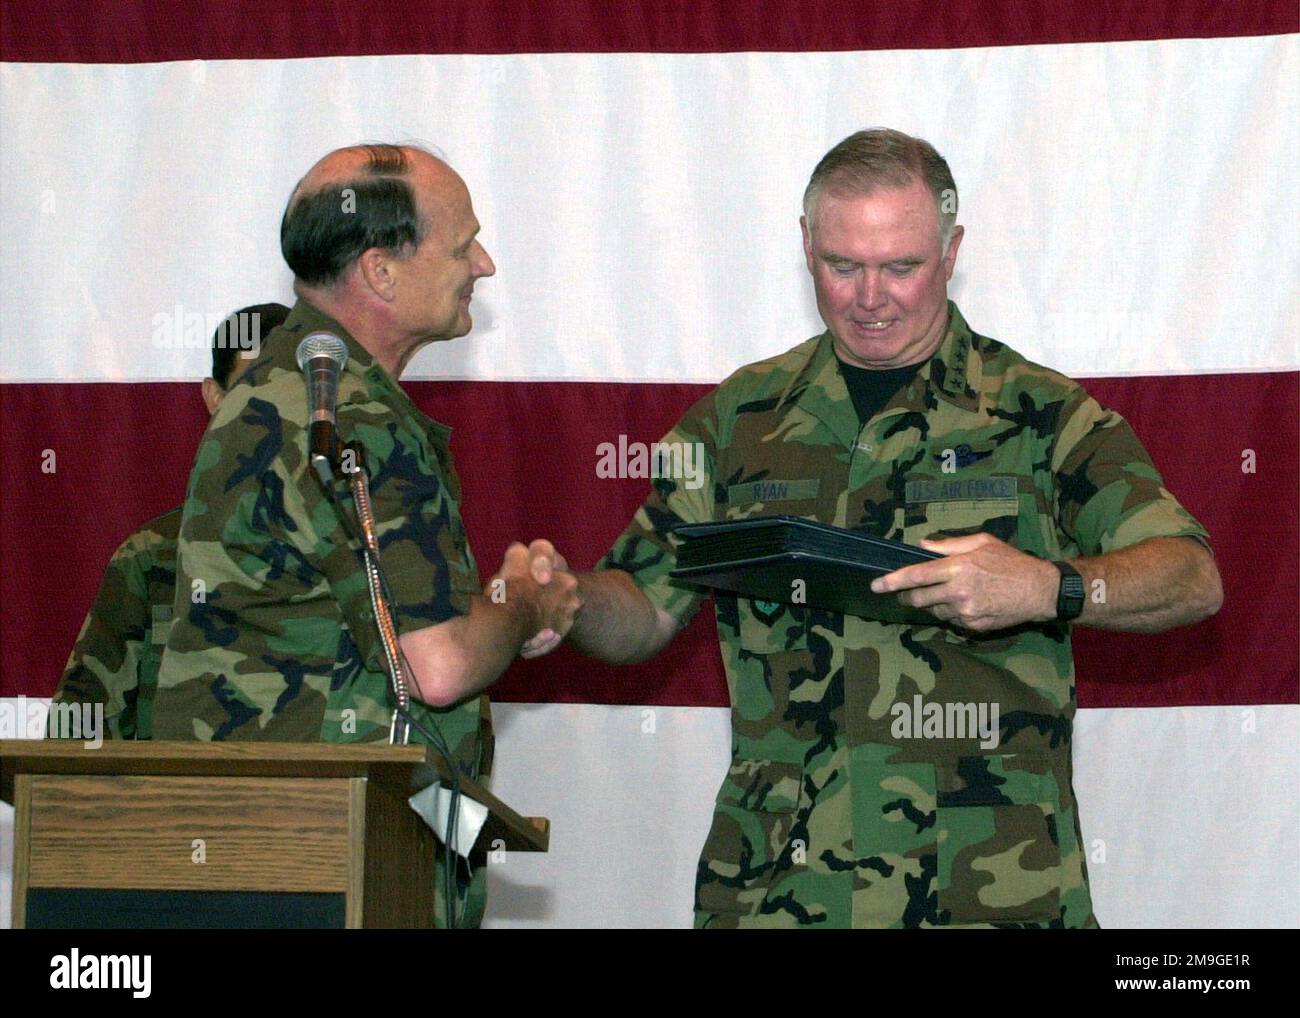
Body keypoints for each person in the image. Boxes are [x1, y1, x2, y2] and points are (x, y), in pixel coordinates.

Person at [529, 128, 1223, 928]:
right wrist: (571, 599)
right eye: (842, 266)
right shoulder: (733, 423)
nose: (870, 297)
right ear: (806, 247)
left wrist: (1048, 586)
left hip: (989, 885)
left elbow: (1191, 576)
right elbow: (645, 608)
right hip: (783, 889)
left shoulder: (1040, 414)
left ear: (952, 250)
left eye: (901, 266)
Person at [153, 143, 579, 927]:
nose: (483, 265)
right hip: (327, 862)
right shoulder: (349, 417)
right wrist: (523, 601)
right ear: (381, 272)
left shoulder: (275, 393)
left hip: (254, 854)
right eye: (462, 246)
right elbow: (440, 667)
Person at [49, 302, 291, 740]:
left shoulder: (365, 551)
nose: (275, 413)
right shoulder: (155, 557)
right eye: (253, 388)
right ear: (215, 400)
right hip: (173, 805)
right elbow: (76, 732)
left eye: (295, 392)